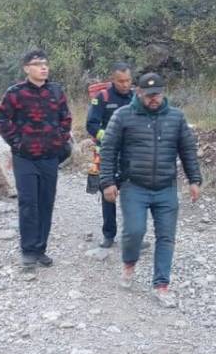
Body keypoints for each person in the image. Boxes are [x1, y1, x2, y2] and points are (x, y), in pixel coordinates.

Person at [98, 73, 201, 308]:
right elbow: (108, 149)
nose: (154, 99)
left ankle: (161, 285)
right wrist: (107, 182)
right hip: (134, 185)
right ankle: (129, 263)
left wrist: (194, 180)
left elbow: (188, 150)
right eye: (149, 95)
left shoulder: (176, 117)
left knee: (166, 237)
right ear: (138, 93)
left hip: (166, 187)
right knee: (135, 231)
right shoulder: (123, 115)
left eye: (158, 94)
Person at [0, 49, 72, 269]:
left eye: (45, 63)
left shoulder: (56, 91)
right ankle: (28, 250)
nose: (44, 68)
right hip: (25, 157)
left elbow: (65, 118)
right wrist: (17, 143)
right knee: (29, 203)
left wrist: (60, 139)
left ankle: (41, 249)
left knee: (46, 202)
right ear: (26, 68)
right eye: (38, 64)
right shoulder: (15, 93)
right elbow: (2, 120)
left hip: (50, 156)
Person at [86, 62, 134, 248]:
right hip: (107, 152)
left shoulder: (136, 97)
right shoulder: (103, 97)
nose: (125, 84)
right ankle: (109, 234)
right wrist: (109, 136)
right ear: (113, 80)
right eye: (121, 81)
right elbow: (91, 125)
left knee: (133, 194)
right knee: (108, 193)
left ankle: (132, 234)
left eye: (128, 80)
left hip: (131, 153)